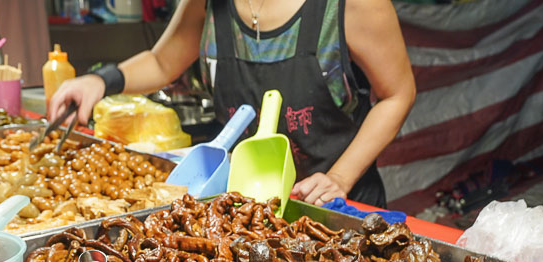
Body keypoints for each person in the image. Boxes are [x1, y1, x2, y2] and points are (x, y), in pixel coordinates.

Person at [47, 0, 415, 207]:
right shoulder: (208, 3)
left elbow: (397, 94)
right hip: (245, 205)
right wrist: (100, 80)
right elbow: (162, 62)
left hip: (334, 204)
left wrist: (339, 177)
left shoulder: (354, 5)